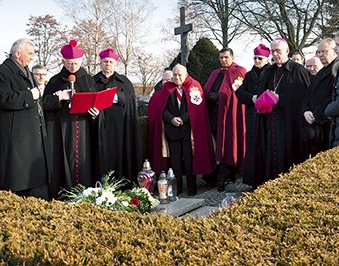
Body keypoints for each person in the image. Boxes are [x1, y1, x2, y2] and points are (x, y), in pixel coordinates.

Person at [0, 38, 53, 200]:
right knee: (16, 182)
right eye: (30, 53)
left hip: (31, 137)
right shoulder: (1, 72)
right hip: (16, 139)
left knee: (35, 183)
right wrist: (29, 95)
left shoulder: (27, 72)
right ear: (18, 54)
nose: (32, 57)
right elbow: (3, 98)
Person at [43, 39, 100, 198]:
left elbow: (97, 104)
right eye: (69, 64)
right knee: (63, 161)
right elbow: (44, 104)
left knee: (83, 162)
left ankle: (85, 194)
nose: (72, 67)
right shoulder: (55, 80)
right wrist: (59, 97)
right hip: (61, 128)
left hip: (83, 128)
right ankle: (63, 194)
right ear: (64, 61)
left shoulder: (88, 80)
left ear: (81, 61)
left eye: (75, 63)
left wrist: (96, 114)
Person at [147, 64, 214, 195]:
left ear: (186, 74)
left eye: (179, 75)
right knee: (175, 162)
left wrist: (183, 119)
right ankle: (176, 188)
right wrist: (171, 118)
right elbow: (161, 108)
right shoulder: (166, 88)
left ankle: (191, 188)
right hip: (172, 131)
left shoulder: (194, 86)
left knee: (189, 161)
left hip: (189, 132)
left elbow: (196, 108)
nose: (176, 77)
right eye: (174, 75)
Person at [256, 38, 310, 183]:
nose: (275, 54)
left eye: (278, 51)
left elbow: (304, 97)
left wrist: (280, 98)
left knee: (289, 154)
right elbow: (260, 90)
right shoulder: (269, 71)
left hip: (290, 123)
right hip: (271, 120)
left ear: (287, 51)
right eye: (273, 51)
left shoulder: (298, 70)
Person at [93, 47, 142, 183]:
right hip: (99, 127)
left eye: (111, 62)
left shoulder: (124, 81)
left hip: (120, 128)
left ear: (115, 64)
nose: (108, 64)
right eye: (105, 61)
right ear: (100, 63)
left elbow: (130, 99)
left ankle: (122, 184)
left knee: (120, 157)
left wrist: (114, 97)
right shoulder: (92, 81)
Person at [203, 48, 247, 191]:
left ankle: (226, 178)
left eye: (226, 57)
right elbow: (206, 90)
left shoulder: (238, 71)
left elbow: (234, 94)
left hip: (229, 117)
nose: (223, 60)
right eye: (221, 57)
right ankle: (213, 176)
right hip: (214, 116)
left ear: (232, 57)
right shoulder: (215, 73)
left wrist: (219, 96)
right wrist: (210, 95)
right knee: (216, 147)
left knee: (228, 145)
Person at [236, 44, 270, 189]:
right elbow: (240, 93)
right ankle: (253, 181)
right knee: (253, 149)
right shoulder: (250, 75)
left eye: (260, 58)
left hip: (267, 117)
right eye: (255, 58)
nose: (257, 61)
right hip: (252, 116)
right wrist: (253, 98)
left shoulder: (271, 73)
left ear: (266, 59)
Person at [302, 38, 337, 157]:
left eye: (324, 52)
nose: (320, 55)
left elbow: (334, 96)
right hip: (313, 122)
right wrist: (306, 110)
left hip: (327, 123)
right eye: (318, 52)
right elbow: (308, 94)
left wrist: (316, 114)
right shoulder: (321, 72)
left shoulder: (338, 71)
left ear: (334, 51)